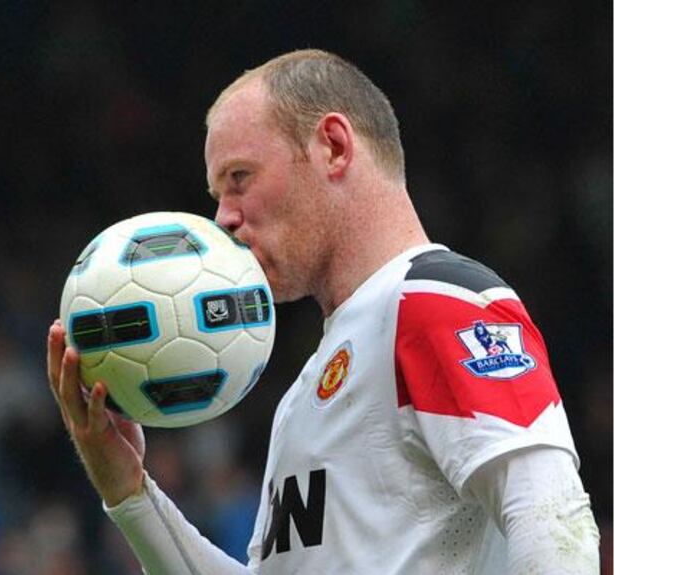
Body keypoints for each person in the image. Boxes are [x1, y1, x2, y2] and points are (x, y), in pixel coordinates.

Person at [46, 49, 600, 573]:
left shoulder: (438, 303)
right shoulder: (309, 387)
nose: (223, 219)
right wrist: (128, 490)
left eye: (239, 178)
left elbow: (552, 521)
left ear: (333, 147)